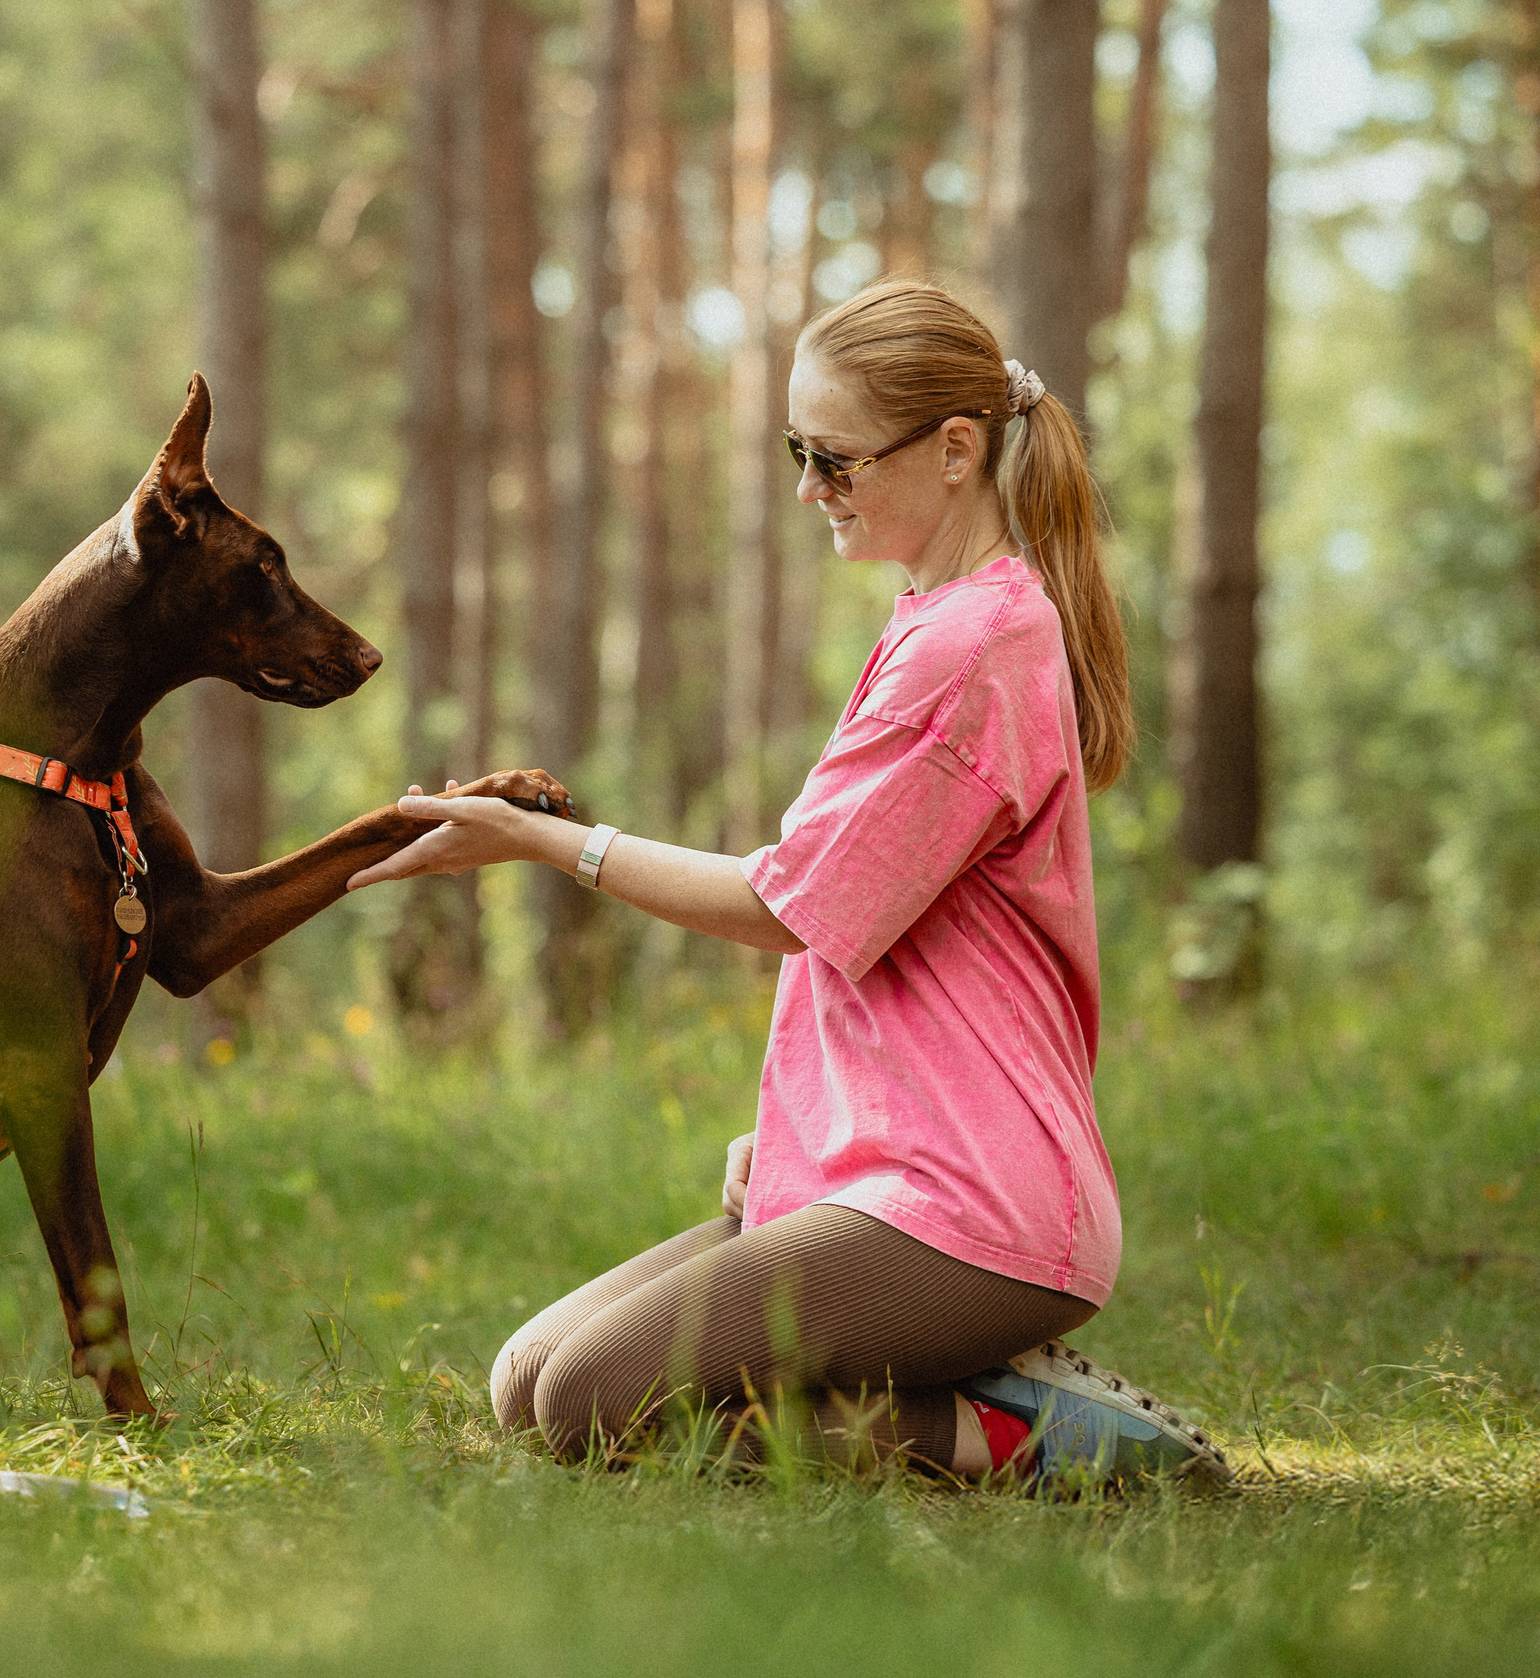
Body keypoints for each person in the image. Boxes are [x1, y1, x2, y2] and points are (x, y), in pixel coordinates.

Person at [349, 281, 1230, 1486]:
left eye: (833, 459)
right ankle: (964, 1383)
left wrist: (554, 844)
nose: (810, 487)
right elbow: (885, 945)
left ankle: (1023, 1436)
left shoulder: (973, 646)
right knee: (529, 1382)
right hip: (891, 1170)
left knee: (592, 1406)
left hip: (972, 1204)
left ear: (955, 451)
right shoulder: (941, 621)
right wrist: (796, 1128)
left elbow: (787, 904)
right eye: (794, 451)